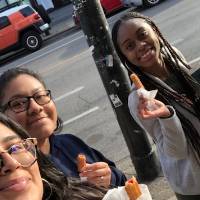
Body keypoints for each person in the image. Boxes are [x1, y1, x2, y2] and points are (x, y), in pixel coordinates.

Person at [112, 11, 200, 200]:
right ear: (125, 56)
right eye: (129, 46)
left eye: (142, 35)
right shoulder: (139, 99)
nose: (140, 46)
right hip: (193, 182)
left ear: (154, 30)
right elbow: (176, 150)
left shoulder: (173, 56)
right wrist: (167, 116)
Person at [0, 68, 127, 188]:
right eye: (18, 103)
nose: (35, 107)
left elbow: (122, 181)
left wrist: (109, 177)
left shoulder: (70, 143)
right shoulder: (13, 175)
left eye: (39, 96)